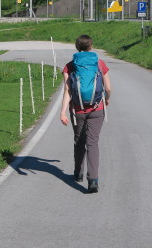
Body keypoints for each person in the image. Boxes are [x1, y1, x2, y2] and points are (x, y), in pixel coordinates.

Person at [60, 34, 112, 193]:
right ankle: (93, 179)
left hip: (77, 110)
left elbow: (68, 91)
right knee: (92, 142)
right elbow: (108, 88)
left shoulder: (69, 66)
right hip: (97, 109)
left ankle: (78, 173)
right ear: (91, 47)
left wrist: (63, 112)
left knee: (79, 141)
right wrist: (106, 100)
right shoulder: (99, 63)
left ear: (77, 47)